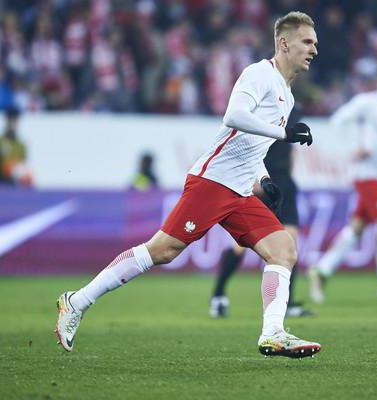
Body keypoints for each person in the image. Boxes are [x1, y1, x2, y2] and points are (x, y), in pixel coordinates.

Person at [55, 11, 321, 358]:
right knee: (162, 250)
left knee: (283, 249)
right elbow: (234, 117)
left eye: (314, 43)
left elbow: (249, 143)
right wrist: (283, 133)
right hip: (213, 182)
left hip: (240, 191)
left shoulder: (287, 95)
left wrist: (264, 180)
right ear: (284, 43)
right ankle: (77, 301)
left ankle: (273, 332)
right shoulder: (259, 74)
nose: (314, 49)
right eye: (307, 41)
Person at [308, 66, 377, 304]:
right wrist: (351, 149)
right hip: (366, 172)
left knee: (357, 228)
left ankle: (322, 270)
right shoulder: (366, 103)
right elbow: (338, 120)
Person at [210, 107, 313, 318]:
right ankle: (218, 294)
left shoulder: (293, 108)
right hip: (263, 181)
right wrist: (254, 179)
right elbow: (247, 143)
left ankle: (289, 303)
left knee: (289, 242)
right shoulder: (260, 108)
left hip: (285, 182)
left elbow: (290, 150)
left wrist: (289, 179)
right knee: (241, 245)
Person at [0, 107, 32, 186]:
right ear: (7, 121)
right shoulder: (1, 141)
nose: (13, 124)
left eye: (15, 121)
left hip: (15, 184)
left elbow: (23, 165)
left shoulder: (21, 145)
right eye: (10, 120)